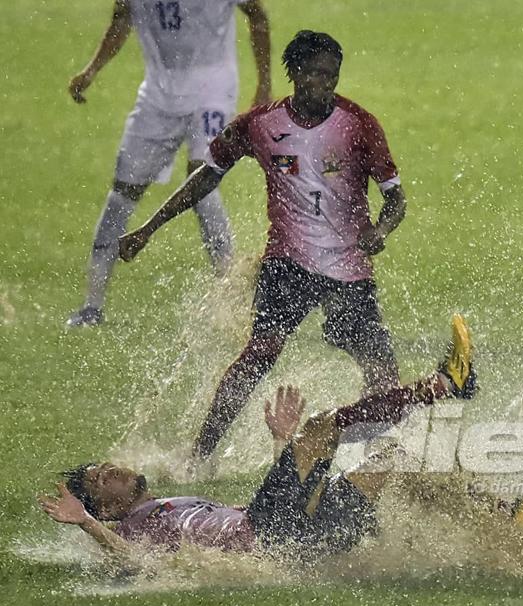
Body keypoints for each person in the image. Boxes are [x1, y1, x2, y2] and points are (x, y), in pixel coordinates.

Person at [118, 30, 408, 464]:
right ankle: (200, 455)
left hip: (348, 268)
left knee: (383, 373)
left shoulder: (358, 125)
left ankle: (372, 459)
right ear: (294, 74)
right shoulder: (260, 125)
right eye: (314, 74)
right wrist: (148, 227)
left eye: (331, 76)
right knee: (260, 353)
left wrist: (381, 232)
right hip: (287, 263)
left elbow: (396, 200)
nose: (323, 84)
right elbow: (208, 175)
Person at [39, 316, 477, 558]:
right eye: (100, 480)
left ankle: (507, 521)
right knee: (325, 423)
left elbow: (286, 497)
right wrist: (86, 524)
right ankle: (442, 385)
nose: (111, 469)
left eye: (102, 467)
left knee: (396, 460)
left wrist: (282, 444)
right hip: (271, 534)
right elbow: (131, 565)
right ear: (105, 507)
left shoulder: (163, 505)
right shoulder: (134, 528)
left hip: (300, 531)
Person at [66, 0, 272, 327]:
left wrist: (264, 85)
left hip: (213, 91)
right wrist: (92, 70)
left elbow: (256, 13)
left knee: (204, 179)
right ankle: (91, 307)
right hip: (158, 97)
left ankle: (232, 300)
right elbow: (122, 18)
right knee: (123, 191)